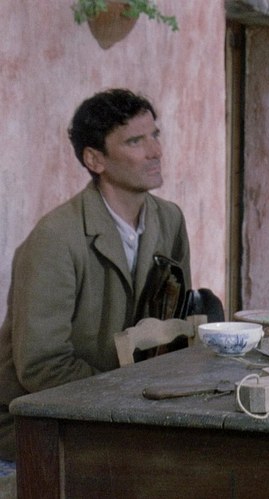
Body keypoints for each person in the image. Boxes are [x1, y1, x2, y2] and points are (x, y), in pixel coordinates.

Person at [0, 89, 194, 461]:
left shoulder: (169, 218)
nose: (155, 151)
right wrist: (128, 395)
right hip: (40, 421)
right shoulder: (55, 238)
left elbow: (176, 319)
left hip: (125, 410)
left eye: (155, 135)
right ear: (95, 159)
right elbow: (41, 367)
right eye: (135, 141)